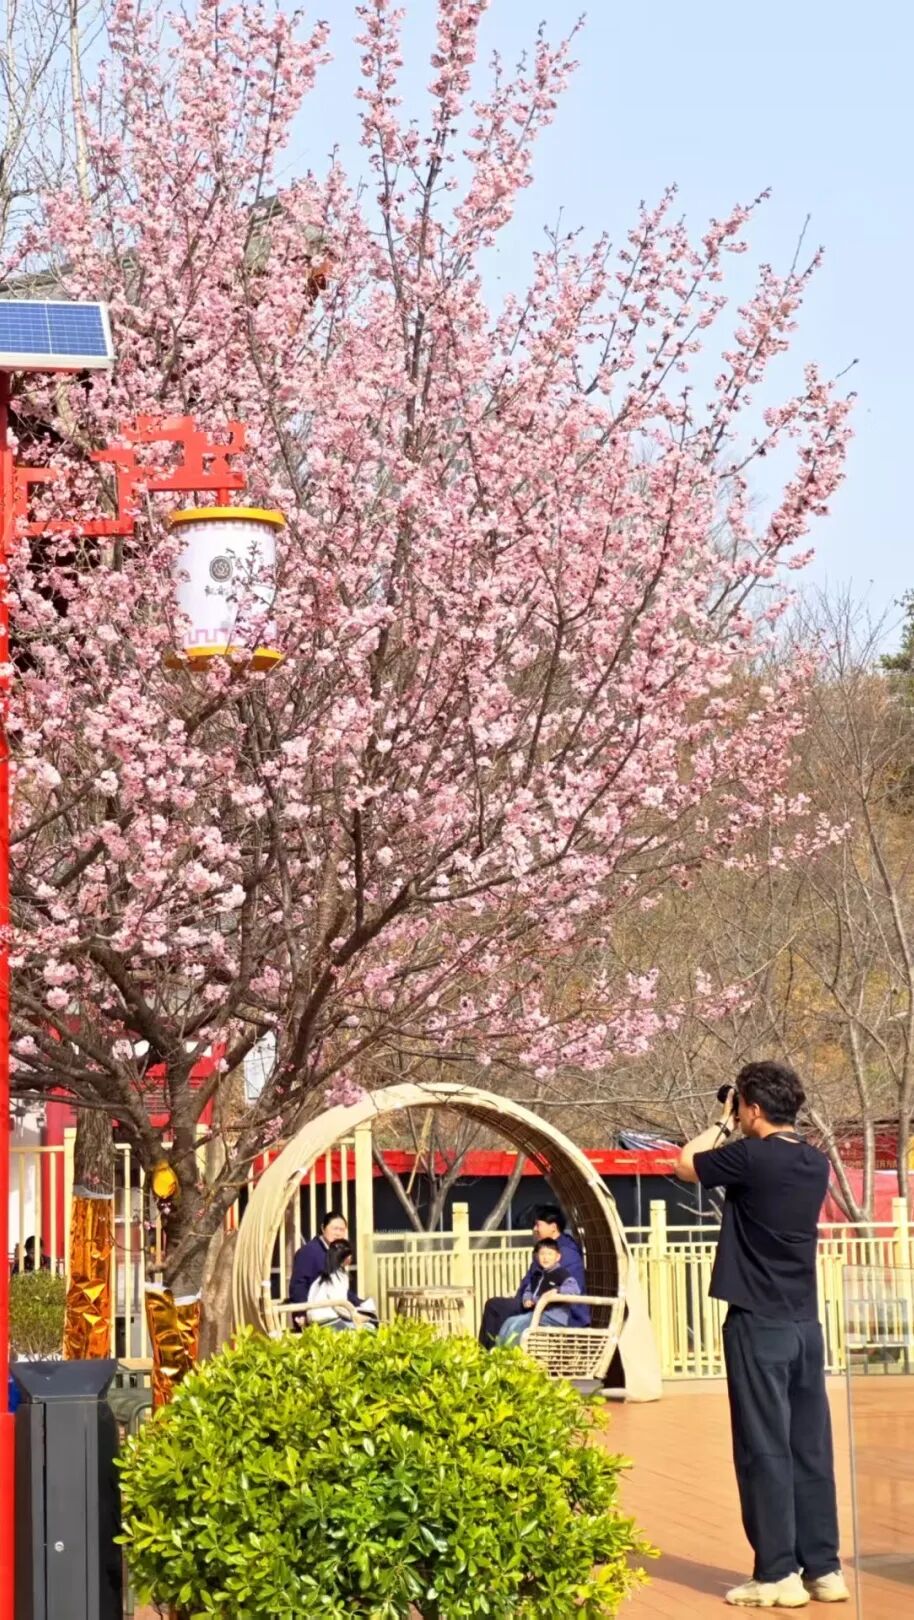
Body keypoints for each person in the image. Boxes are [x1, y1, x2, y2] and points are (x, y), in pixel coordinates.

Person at [676, 1060, 849, 1609]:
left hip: (757, 1322)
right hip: (804, 1325)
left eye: (743, 1107)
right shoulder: (815, 1161)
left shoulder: (750, 1155)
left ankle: (777, 1574)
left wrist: (722, 1121)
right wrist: (740, 1115)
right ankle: (824, 1568)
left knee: (763, 1447)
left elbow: (685, 1163)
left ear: (751, 1108)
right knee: (809, 1447)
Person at [478, 1203, 588, 1348]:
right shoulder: (547, 1248)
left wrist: (542, 1296)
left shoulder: (566, 1253)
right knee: (502, 1311)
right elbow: (531, 1282)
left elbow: (570, 1287)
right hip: (535, 1303)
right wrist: (525, 1298)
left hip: (558, 1312)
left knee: (495, 1307)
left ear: (553, 1227)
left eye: (538, 1225)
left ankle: (488, 1352)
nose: (534, 1229)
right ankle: (493, 1351)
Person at [495, 1238, 582, 1347]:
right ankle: (499, 1351)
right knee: (509, 1321)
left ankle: (513, 1353)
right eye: (542, 1254)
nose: (545, 1258)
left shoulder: (561, 1273)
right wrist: (527, 1299)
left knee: (519, 1324)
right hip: (537, 1314)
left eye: (550, 1254)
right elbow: (528, 1290)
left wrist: (557, 1290)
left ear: (558, 1257)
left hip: (553, 1317)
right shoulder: (538, 1275)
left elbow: (575, 1290)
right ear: (537, 1256)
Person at [306, 1240, 377, 1331]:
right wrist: (357, 1316)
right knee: (370, 1328)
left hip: (314, 1321)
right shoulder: (337, 1277)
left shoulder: (320, 1279)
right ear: (346, 1258)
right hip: (328, 1320)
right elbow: (339, 1306)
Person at [289, 1210, 349, 1308]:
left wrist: (360, 1303)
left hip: (333, 1307)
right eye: (335, 1229)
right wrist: (303, 1311)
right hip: (314, 1309)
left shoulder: (335, 1252)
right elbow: (298, 1286)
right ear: (323, 1228)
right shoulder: (308, 1251)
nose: (338, 1233)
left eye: (341, 1230)